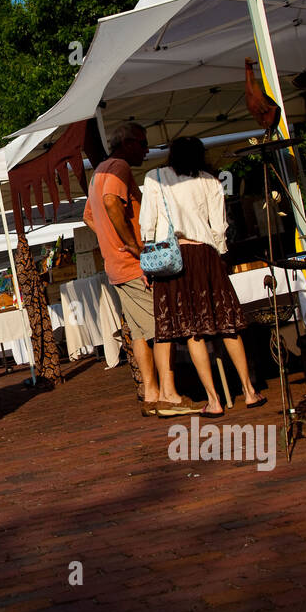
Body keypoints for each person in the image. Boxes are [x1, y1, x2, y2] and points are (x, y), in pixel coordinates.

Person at [141, 136, 269, 417]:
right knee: (226, 324)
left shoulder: (155, 177)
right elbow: (220, 226)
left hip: (173, 259)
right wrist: (218, 255)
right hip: (207, 255)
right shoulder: (211, 180)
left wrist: (148, 258)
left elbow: (147, 223)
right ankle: (248, 391)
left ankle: (214, 399)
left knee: (192, 331)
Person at [83, 122, 199, 417]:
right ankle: (169, 396)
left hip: (117, 266)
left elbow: (89, 216)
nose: (147, 150)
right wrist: (133, 244)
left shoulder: (100, 171)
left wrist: (111, 241)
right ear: (128, 143)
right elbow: (110, 202)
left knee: (139, 332)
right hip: (132, 265)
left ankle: (150, 393)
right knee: (163, 328)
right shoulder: (118, 166)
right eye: (143, 143)